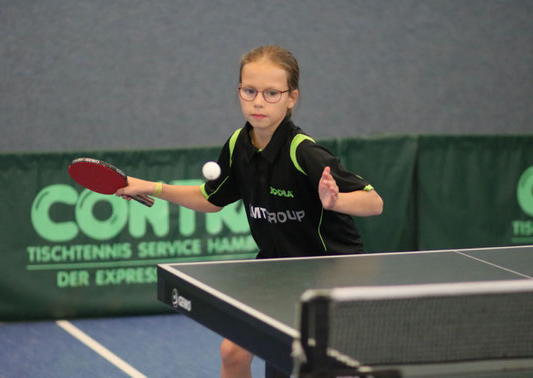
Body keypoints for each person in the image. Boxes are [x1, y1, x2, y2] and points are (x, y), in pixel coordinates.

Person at [116, 45, 383, 378]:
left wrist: (336, 202)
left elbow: (374, 202)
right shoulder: (238, 145)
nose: (258, 101)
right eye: (250, 90)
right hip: (275, 272)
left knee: (294, 365)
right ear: (239, 92)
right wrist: (152, 187)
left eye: (272, 93)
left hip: (326, 272)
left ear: (291, 98)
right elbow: (211, 200)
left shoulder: (304, 152)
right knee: (233, 353)